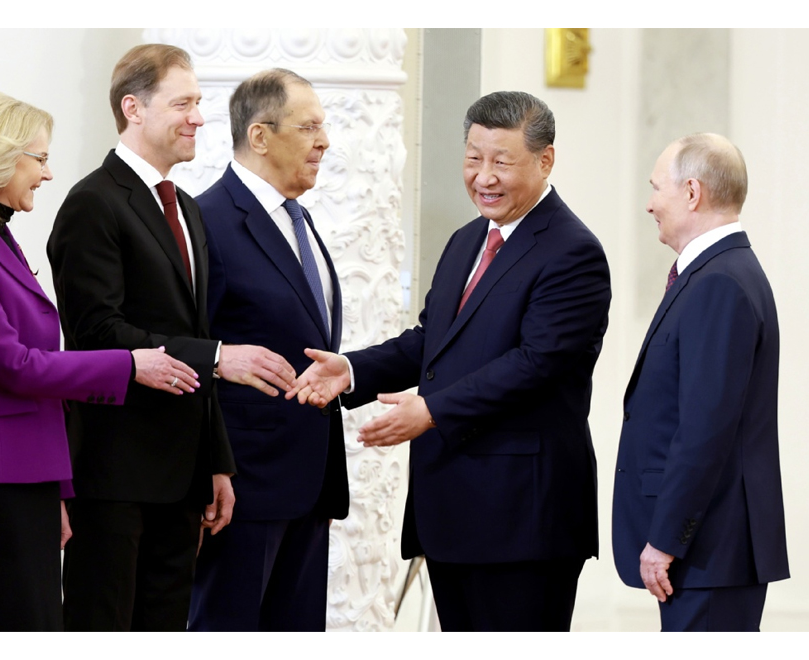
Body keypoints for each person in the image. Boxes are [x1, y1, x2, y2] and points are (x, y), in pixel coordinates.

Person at [289, 91, 611, 632]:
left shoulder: (572, 251)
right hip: (452, 509)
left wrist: (431, 410)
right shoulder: (467, 240)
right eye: (473, 158)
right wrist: (351, 371)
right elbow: (430, 342)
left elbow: (535, 364)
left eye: (502, 162)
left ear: (545, 160)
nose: (484, 177)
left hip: (523, 516)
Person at [0, 89, 199, 631]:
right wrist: (128, 365)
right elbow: (16, 366)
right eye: (39, 158)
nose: (47, 173)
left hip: (28, 475)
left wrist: (59, 490)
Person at [47, 44, 296, 632]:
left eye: (199, 103)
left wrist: (217, 462)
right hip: (114, 471)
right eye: (183, 104)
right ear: (132, 108)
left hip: (182, 475)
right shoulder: (92, 203)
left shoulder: (185, 205)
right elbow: (96, 332)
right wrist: (218, 358)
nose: (199, 118)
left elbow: (194, 330)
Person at [188, 69, 349, 631]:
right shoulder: (204, 221)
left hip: (309, 485)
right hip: (240, 488)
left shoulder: (299, 218)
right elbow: (189, 350)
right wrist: (209, 468)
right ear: (259, 136)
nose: (323, 141)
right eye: (309, 128)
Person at [612, 133, 789, 632]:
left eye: (656, 189)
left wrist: (666, 539)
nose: (650, 205)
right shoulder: (718, 272)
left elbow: (704, 429)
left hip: (709, 549)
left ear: (692, 192)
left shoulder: (719, 283)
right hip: (709, 551)